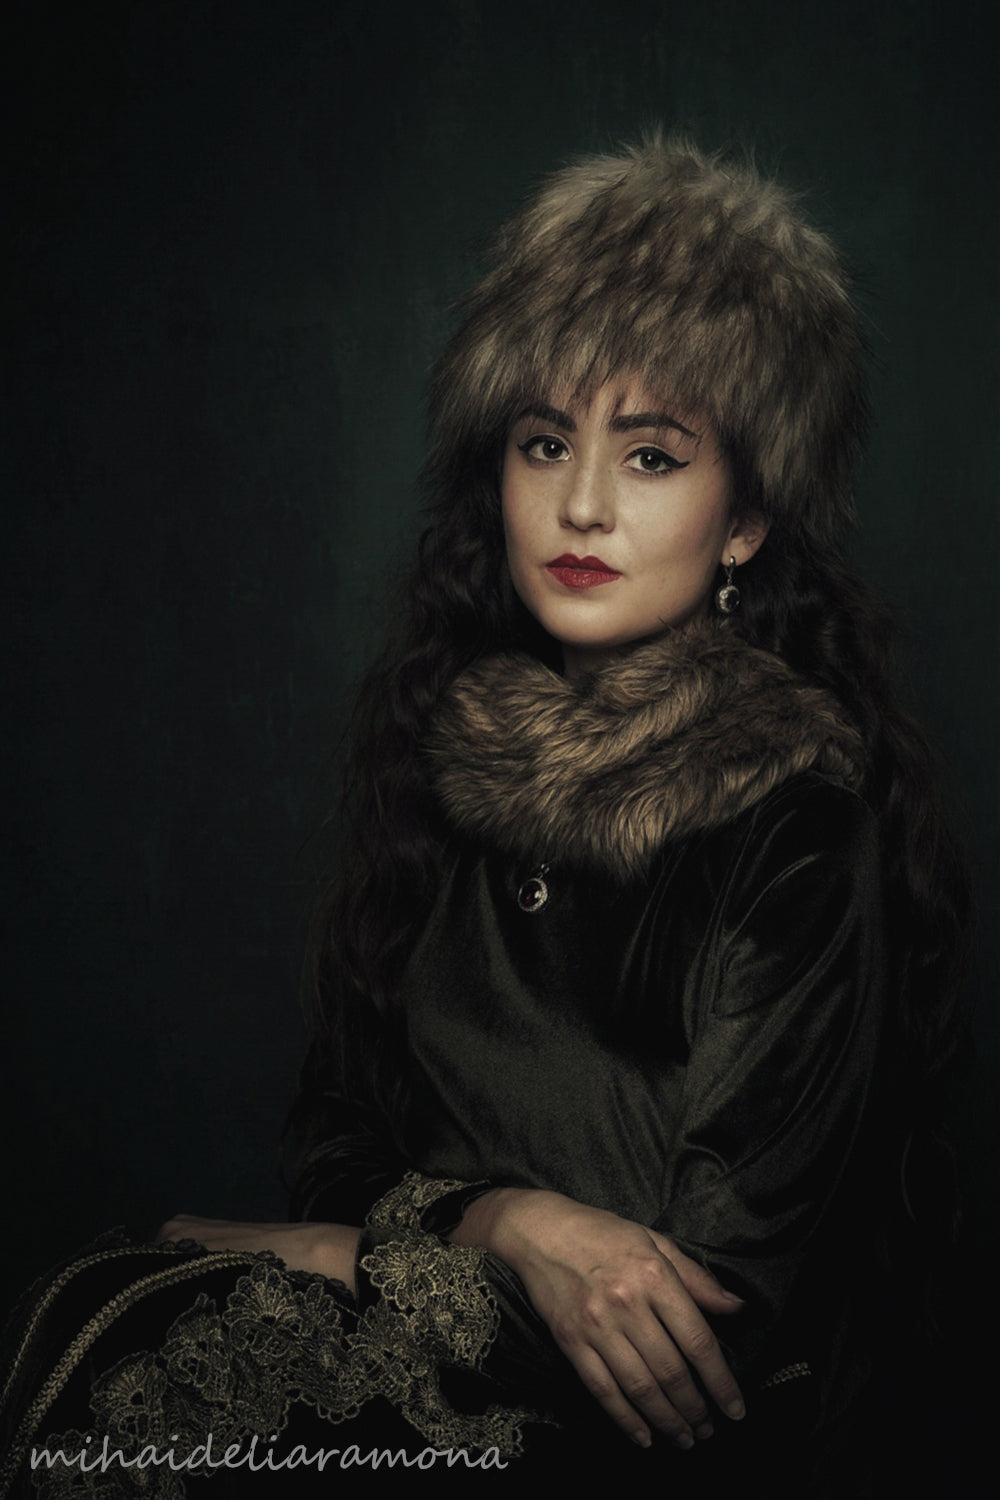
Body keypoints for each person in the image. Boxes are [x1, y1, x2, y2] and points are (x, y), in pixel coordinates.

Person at [0, 137, 967, 1499]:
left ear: (745, 520)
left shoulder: (795, 835)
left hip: (648, 1443)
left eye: (650, 455)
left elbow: (704, 1323)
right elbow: (337, 1141)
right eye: (544, 443)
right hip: (425, 1373)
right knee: (88, 1324)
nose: (582, 505)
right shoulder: (445, 775)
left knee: (152, 1365)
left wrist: (335, 1258)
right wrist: (508, 1220)